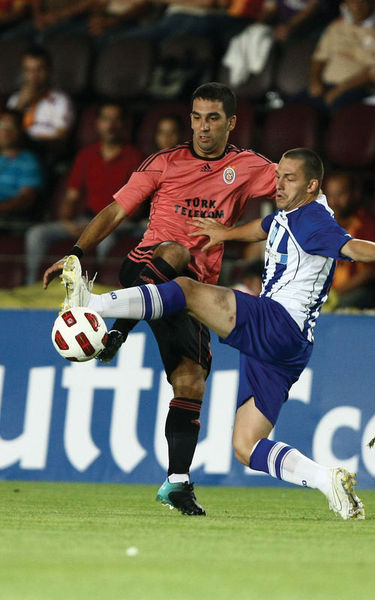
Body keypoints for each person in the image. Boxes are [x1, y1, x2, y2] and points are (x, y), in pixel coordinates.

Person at [58, 148, 375, 520]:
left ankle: (92, 304)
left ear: (312, 185)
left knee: (187, 290)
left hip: (276, 320)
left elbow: (348, 246)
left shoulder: (313, 220)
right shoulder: (291, 213)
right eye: (278, 176)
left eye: (290, 178)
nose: (279, 184)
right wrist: (226, 233)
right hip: (290, 348)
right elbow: (266, 226)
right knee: (247, 446)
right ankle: (326, 479)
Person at [43, 82, 277, 516]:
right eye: (197, 117)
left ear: (231, 123)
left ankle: (177, 483)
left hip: (194, 293)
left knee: (191, 381)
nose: (203, 127)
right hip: (148, 265)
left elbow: (293, 191)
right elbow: (116, 210)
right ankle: (118, 328)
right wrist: (76, 252)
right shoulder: (165, 162)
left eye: (212, 118)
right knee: (176, 251)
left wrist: (298, 221)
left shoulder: (248, 166)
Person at [25, 102, 143, 285]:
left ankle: (100, 289)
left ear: (124, 124)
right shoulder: (86, 155)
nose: (110, 125)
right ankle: (31, 285)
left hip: (120, 221)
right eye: (106, 119)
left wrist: (104, 225)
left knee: (105, 239)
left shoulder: (135, 157)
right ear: (98, 123)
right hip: (87, 219)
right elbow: (72, 196)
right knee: (36, 234)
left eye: (116, 119)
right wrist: (68, 222)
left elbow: (137, 206)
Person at [308, 0, 375, 112]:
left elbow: (373, 71)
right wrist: (315, 81)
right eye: (353, 2)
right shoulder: (336, 26)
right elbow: (319, 58)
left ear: (372, 4)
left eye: (362, 2)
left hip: (358, 89)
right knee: (295, 107)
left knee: (333, 110)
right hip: (327, 85)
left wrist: (339, 90)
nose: (357, 7)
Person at [325, 172, 375, 308]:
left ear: (355, 194)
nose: (334, 202)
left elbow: (371, 271)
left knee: (346, 301)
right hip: (328, 292)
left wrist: (336, 293)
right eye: (330, 195)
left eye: (340, 194)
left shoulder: (368, 224)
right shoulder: (324, 225)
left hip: (358, 291)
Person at [6, 45, 74, 160]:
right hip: (12, 153)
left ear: (49, 70)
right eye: (28, 70)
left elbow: (61, 139)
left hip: (43, 154)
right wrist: (20, 105)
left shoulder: (61, 100)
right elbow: (5, 132)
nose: (33, 76)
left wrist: (30, 141)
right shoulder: (15, 99)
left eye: (39, 69)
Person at [0, 109, 43, 230]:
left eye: (11, 126)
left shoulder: (28, 160)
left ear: (20, 130)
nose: (5, 131)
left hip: (10, 218)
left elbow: (26, 200)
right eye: (2, 126)